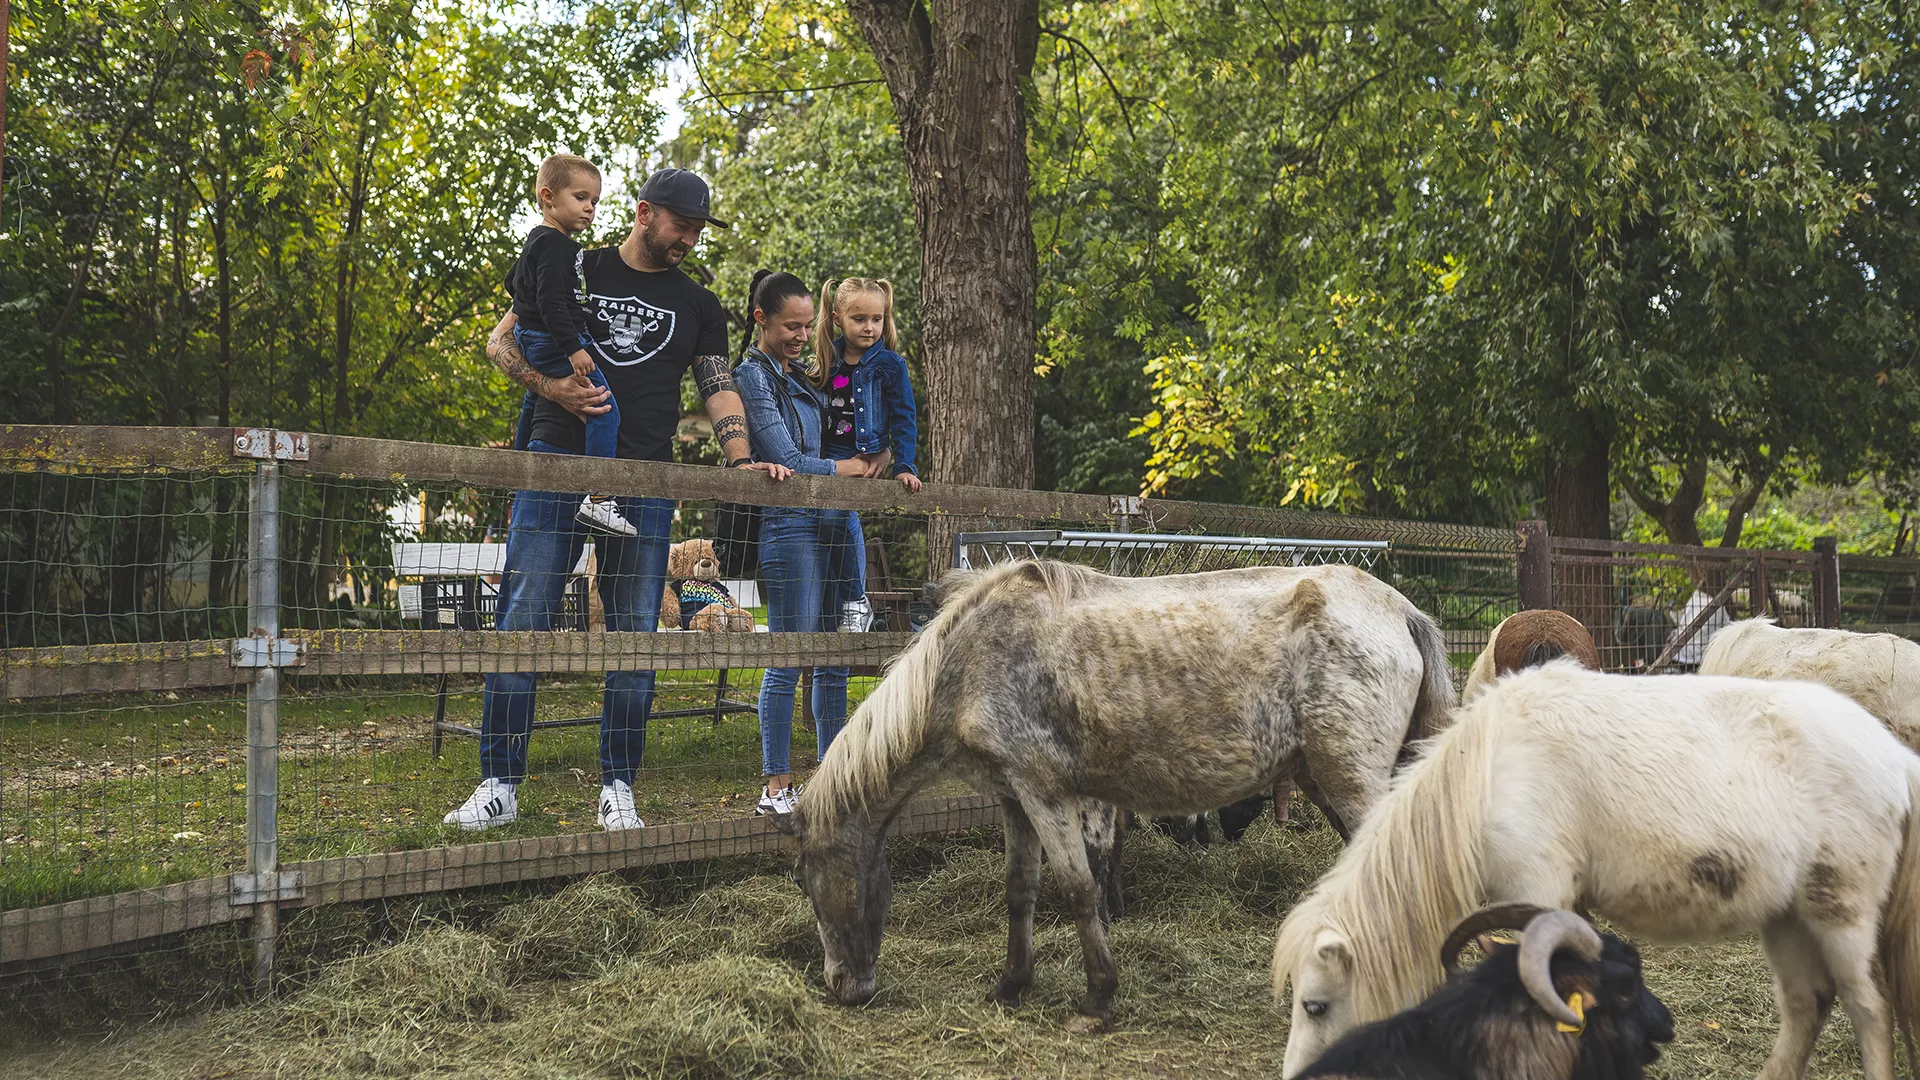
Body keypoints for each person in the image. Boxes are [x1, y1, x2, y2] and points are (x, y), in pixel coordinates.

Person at [444, 169, 792, 832]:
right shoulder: (576, 265)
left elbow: (718, 387)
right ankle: (498, 784)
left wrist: (743, 460)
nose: (690, 238)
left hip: (645, 483)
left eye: (698, 229)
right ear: (643, 213)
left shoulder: (700, 305)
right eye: (682, 225)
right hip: (554, 464)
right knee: (522, 621)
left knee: (636, 632)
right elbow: (499, 341)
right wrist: (552, 390)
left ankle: (617, 787)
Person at [733, 270, 875, 815]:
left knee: (835, 656)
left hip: (831, 522)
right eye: (791, 326)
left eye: (808, 325)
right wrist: (847, 469)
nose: (800, 335)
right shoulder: (754, 378)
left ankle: (832, 778)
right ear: (760, 319)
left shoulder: (804, 378)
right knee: (788, 655)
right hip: (789, 526)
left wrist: (870, 459)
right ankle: (776, 788)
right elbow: (788, 463)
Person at [503, 153, 632, 536]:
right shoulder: (560, 246)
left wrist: (531, 312)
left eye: (594, 201)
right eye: (581, 198)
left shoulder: (537, 240)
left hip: (532, 336)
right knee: (604, 409)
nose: (590, 208)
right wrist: (574, 346)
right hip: (553, 341)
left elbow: (513, 283)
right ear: (548, 196)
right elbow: (552, 303)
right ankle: (599, 498)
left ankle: (515, 473)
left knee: (533, 399)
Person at [812, 277, 921, 632]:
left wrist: (903, 464)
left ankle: (856, 598)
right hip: (830, 455)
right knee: (828, 523)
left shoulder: (890, 365)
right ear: (837, 317)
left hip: (866, 453)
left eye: (877, 318)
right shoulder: (825, 360)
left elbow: (905, 417)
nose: (869, 327)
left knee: (839, 518)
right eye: (859, 319)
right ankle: (841, 599)